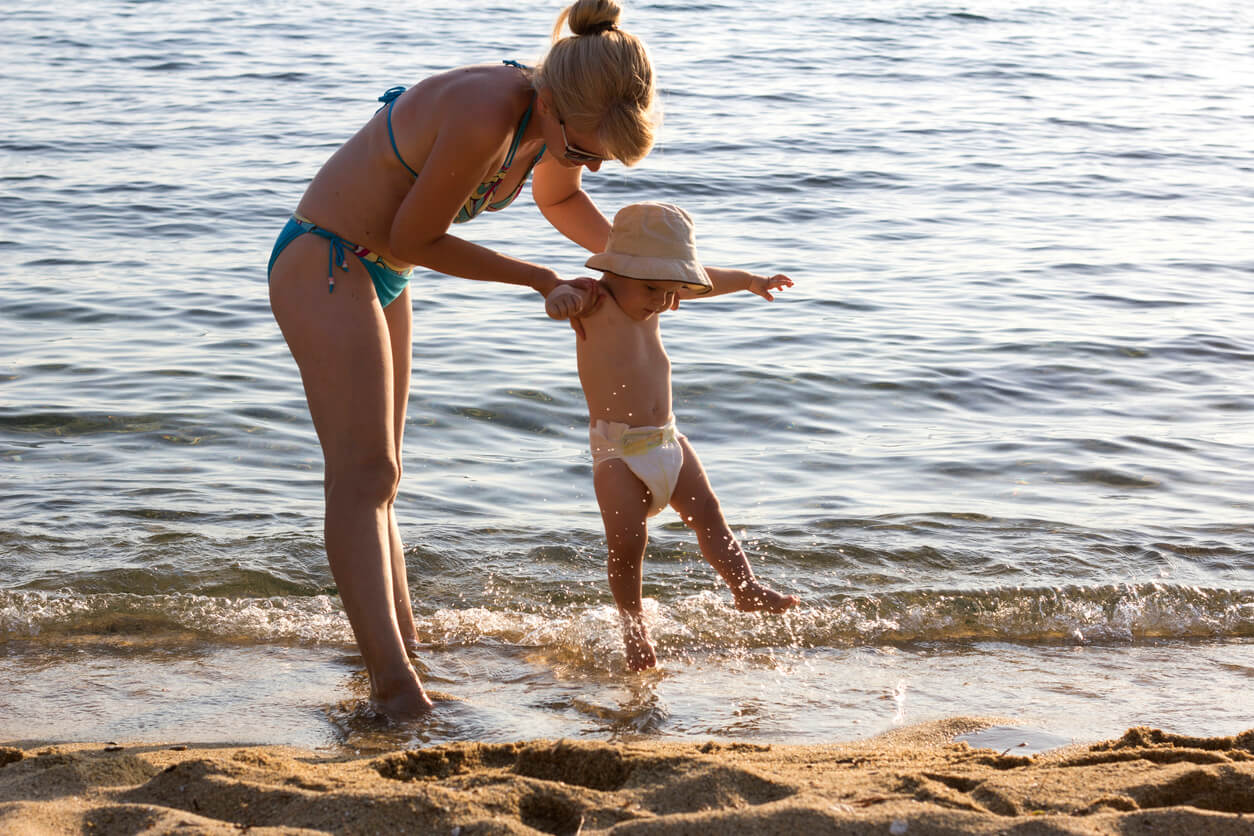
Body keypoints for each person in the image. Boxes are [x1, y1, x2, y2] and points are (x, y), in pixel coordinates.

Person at [266, 0, 656, 717]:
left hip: (380, 273)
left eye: (601, 159)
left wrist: (638, 269)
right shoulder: (485, 110)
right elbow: (415, 235)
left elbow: (562, 200)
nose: (587, 165)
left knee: (384, 476)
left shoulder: (550, 128)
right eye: (583, 148)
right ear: (553, 103)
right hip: (326, 257)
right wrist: (541, 278)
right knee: (363, 475)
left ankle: (400, 657)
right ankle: (394, 687)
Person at [544, 202, 801, 671]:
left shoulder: (652, 296)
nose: (663, 301)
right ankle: (634, 631)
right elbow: (561, 302)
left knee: (709, 514)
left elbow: (707, 281)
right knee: (627, 543)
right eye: (652, 289)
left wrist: (749, 281)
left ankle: (744, 590)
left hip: (668, 439)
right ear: (615, 270)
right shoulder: (593, 299)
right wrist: (558, 298)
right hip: (619, 451)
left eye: (670, 291)